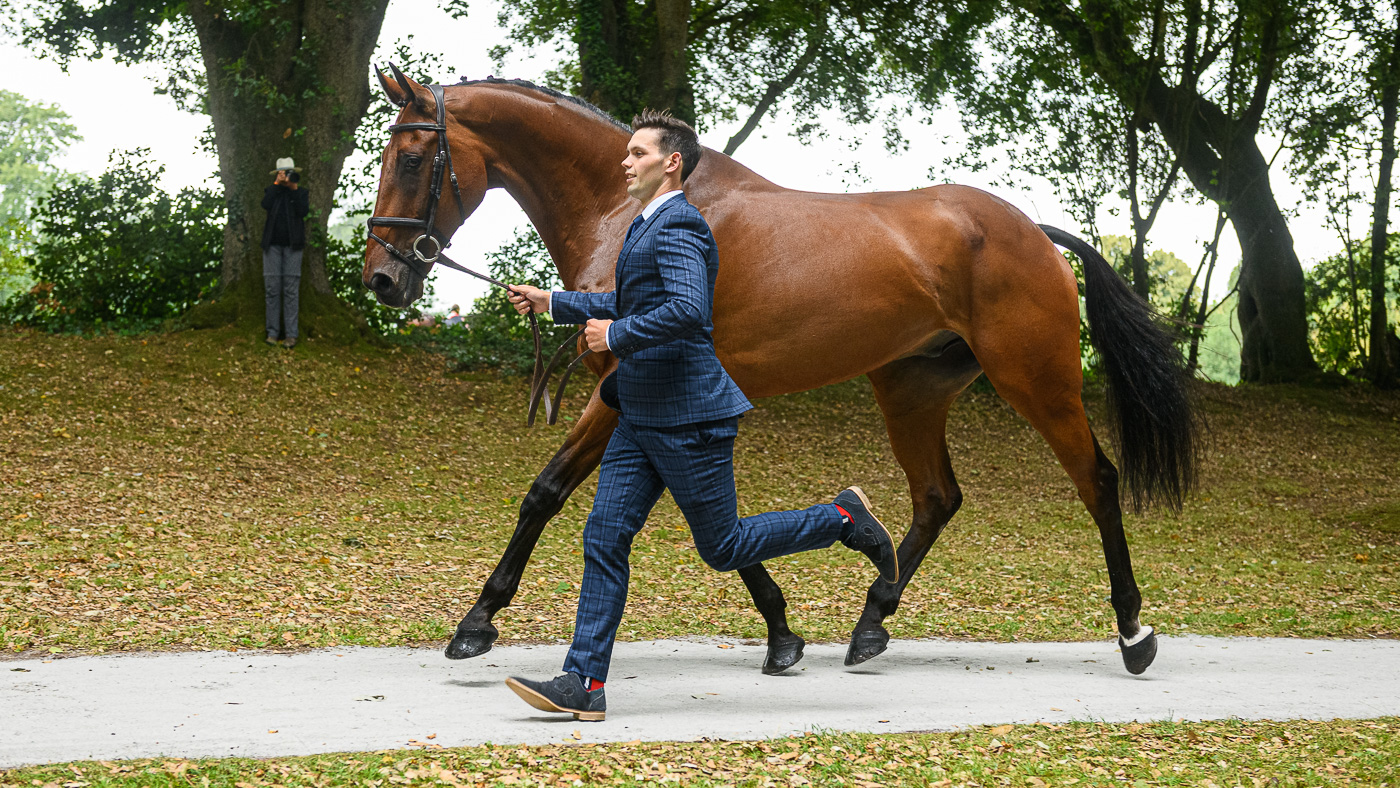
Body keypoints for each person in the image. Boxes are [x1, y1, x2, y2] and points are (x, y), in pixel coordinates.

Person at [502, 110, 899, 722]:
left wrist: (618, 335)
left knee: (723, 546)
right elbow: (634, 300)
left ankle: (843, 518)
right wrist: (553, 299)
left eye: (637, 153)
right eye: (627, 153)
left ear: (671, 163)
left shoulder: (681, 224)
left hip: (688, 416)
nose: (625, 162)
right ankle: (585, 684)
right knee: (604, 536)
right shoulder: (644, 224)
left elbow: (689, 310)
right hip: (640, 411)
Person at [261, 157, 310, 349]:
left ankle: (291, 334)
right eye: (284, 173)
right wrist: (276, 185)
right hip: (271, 246)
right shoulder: (272, 191)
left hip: (293, 246)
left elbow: (303, 211)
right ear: (278, 175)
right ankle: (272, 332)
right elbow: (265, 204)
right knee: (272, 288)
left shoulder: (300, 192)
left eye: (289, 173)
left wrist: (293, 188)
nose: (287, 177)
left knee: (291, 290)